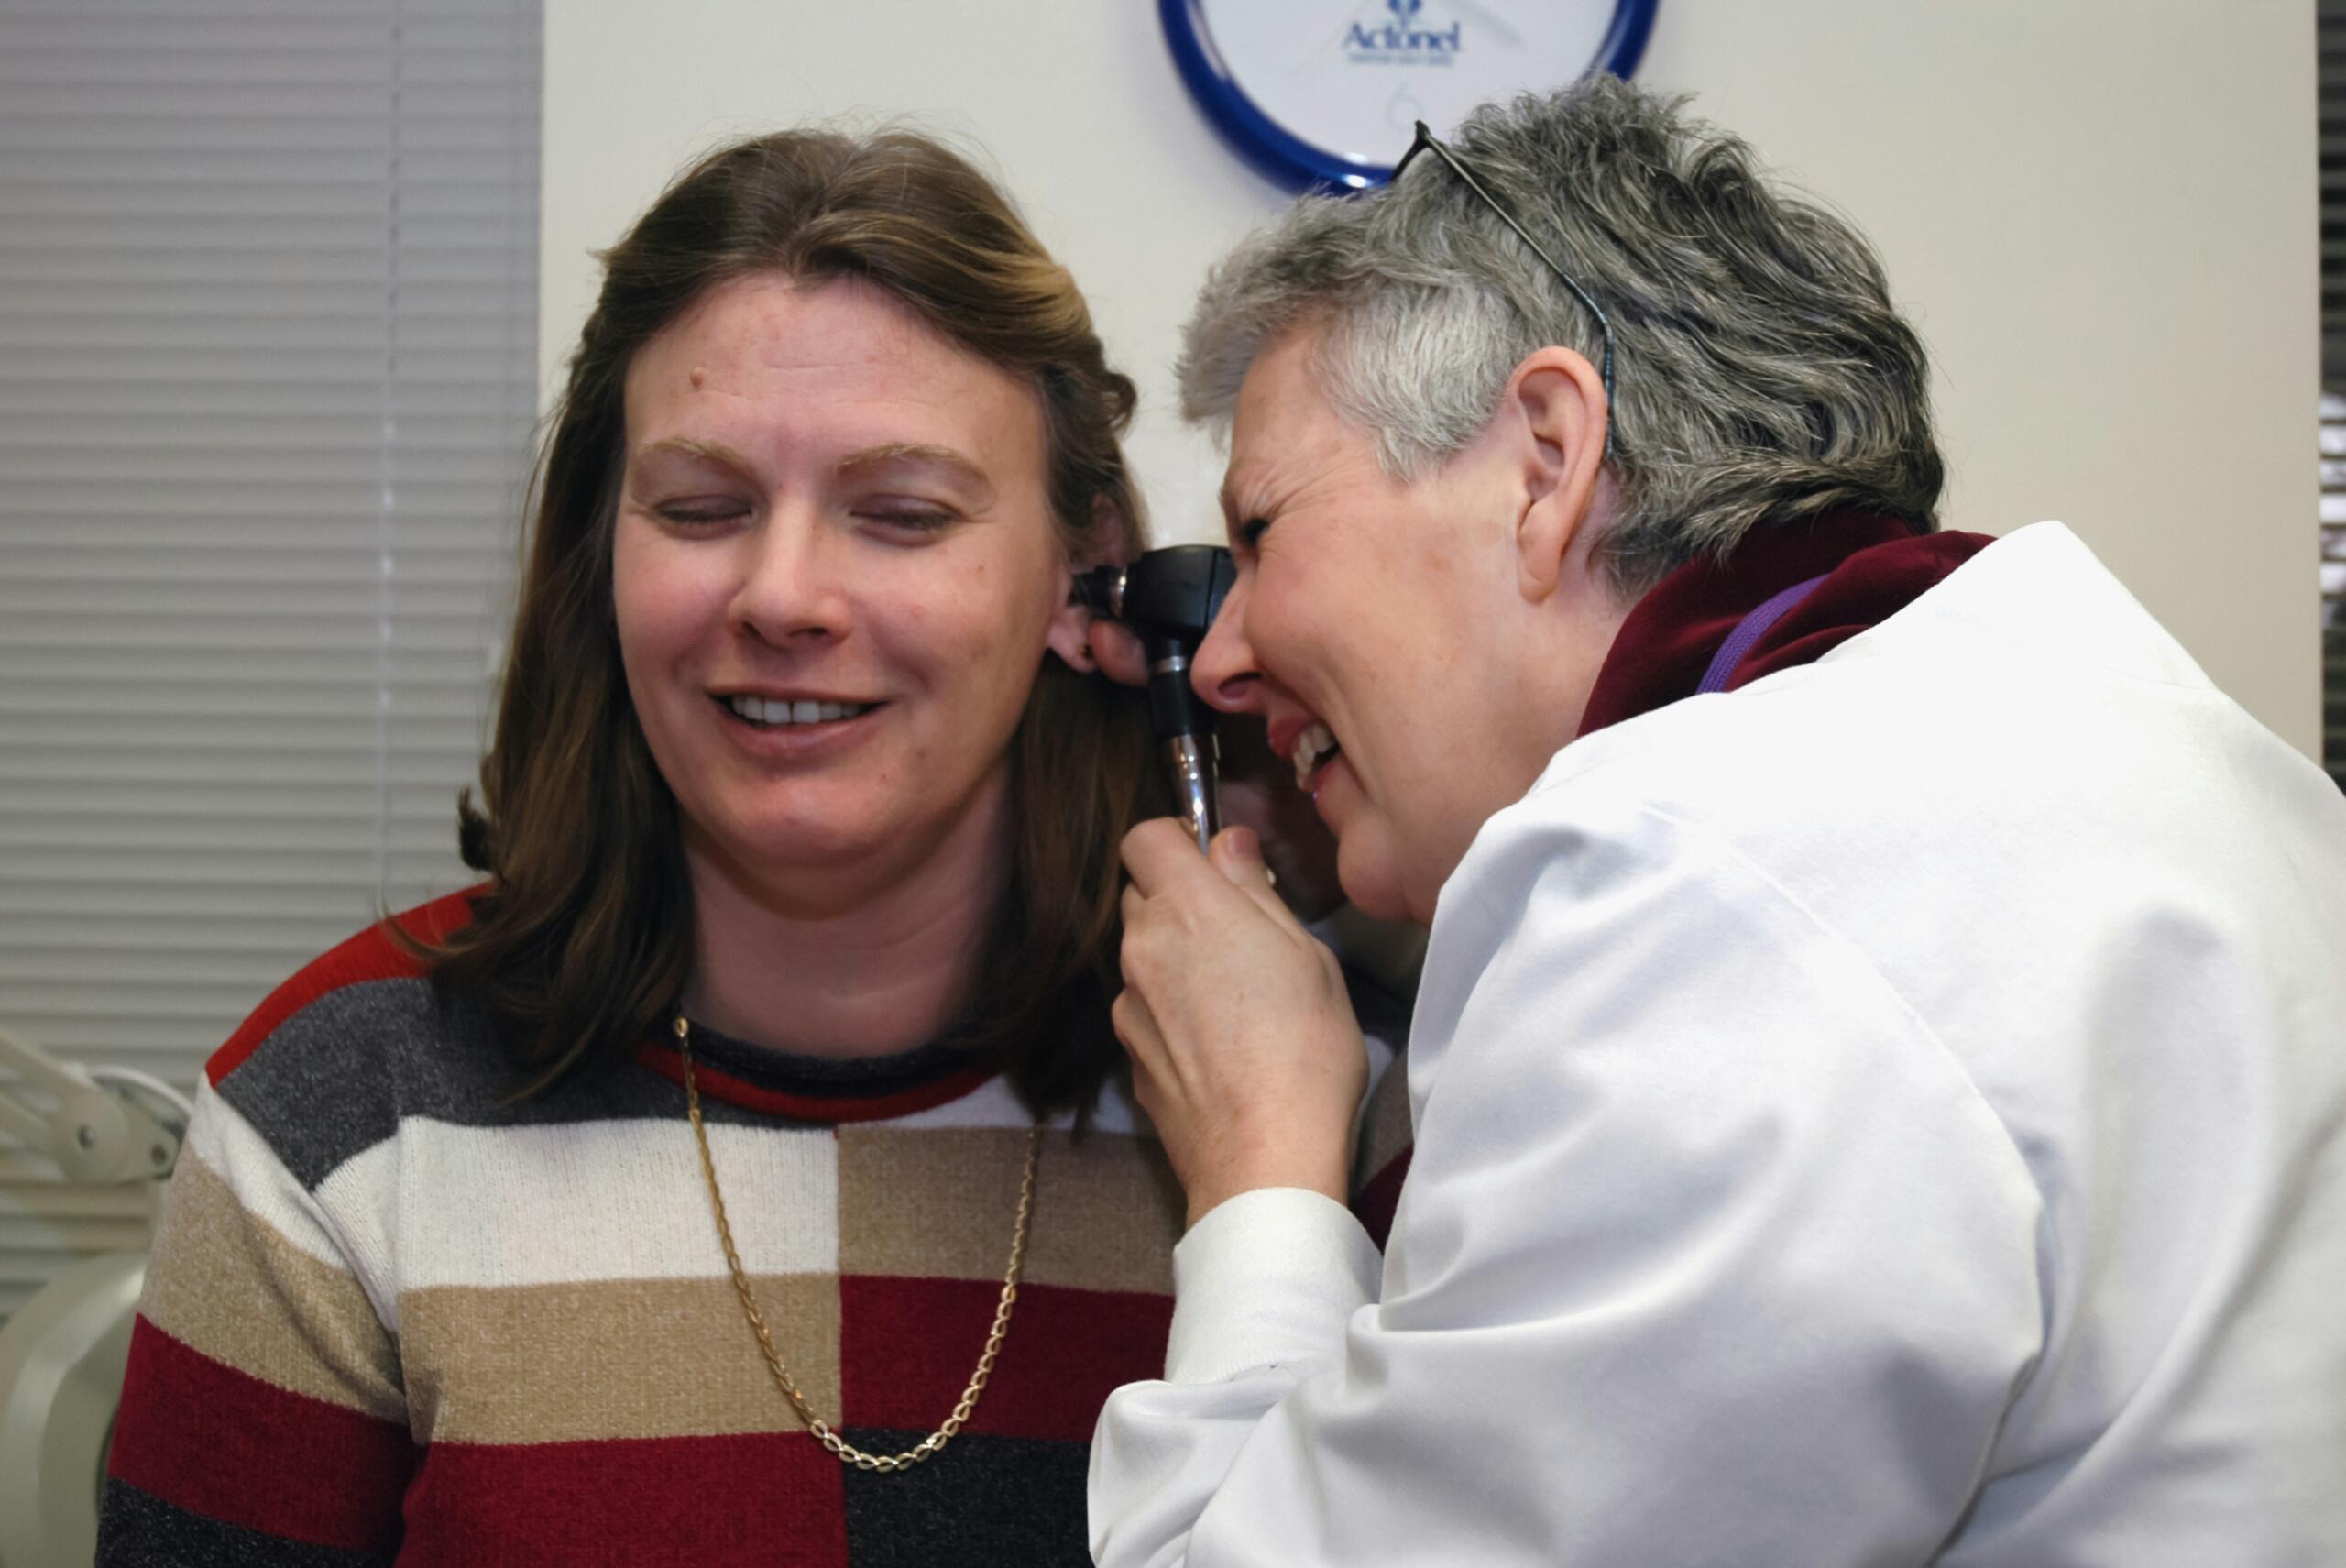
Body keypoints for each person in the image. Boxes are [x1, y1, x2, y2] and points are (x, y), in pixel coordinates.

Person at [1090, 76, 2346, 1565]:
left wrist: (1260, 1171)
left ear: (1547, 461)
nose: (1223, 658)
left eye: (1262, 532)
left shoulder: (1719, 905)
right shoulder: (2178, 763)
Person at [98, 126, 1191, 1566]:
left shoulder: (1288, 1103)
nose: (783, 595)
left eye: (903, 515)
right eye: (700, 508)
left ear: (1081, 569)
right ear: (599, 555)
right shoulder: (337, 1126)